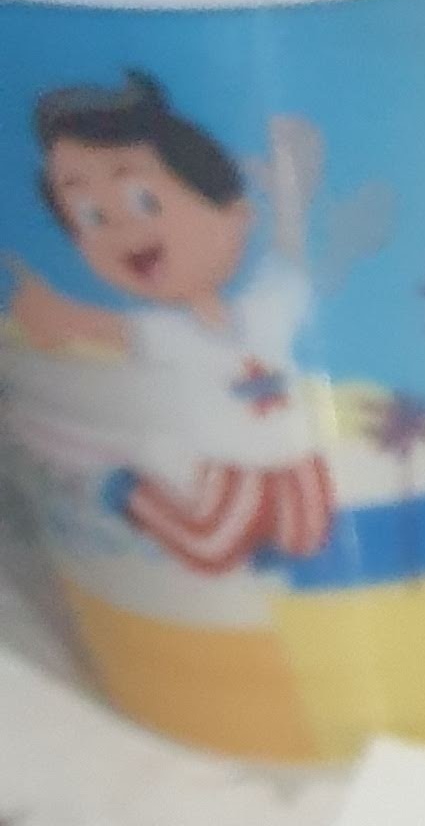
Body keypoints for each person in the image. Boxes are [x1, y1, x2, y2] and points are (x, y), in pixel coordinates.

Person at [11, 69, 335, 577]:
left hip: (292, 452)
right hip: (229, 460)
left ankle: (260, 550)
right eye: (91, 217)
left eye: (145, 200)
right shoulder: (167, 333)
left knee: (309, 534)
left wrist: (293, 179)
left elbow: (291, 253)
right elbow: (104, 327)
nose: (122, 226)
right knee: (211, 546)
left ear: (236, 212)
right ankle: (124, 490)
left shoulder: (264, 307)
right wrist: (51, 315)